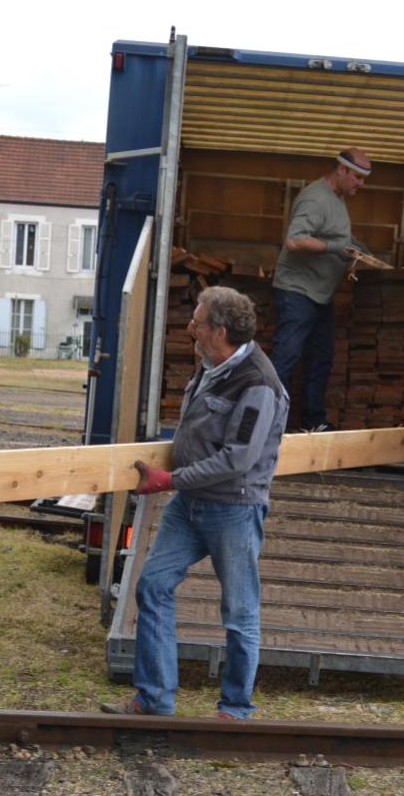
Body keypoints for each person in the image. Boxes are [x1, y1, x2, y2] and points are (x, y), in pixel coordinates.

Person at [101, 286, 289, 719]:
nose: (190, 328)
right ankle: (154, 699)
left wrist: (170, 479)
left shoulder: (258, 383)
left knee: (239, 611)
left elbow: (238, 459)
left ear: (219, 330)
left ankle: (235, 709)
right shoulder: (212, 367)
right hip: (191, 503)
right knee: (153, 586)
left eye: (197, 322)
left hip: (234, 508)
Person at [271, 148, 373, 431]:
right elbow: (295, 241)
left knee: (321, 359)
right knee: (286, 357)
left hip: (319, 295)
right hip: (297, 293)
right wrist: (336, 248)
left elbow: (334, 232)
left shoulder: (338, 199)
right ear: (341, 170)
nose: (360, 184)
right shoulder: (316, 198)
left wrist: (355, 246)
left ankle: (313, 422)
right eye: (357, 177)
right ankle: (268, 424)